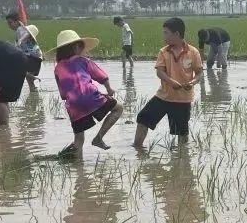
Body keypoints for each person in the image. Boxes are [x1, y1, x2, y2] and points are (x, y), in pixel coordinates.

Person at [134, 17, 204, 147]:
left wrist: (193, 82)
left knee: (182, 132)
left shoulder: (193, 52)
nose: (164, 36)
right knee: (143, 118)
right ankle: (137, 148)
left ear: (176, 34)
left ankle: (182, 158)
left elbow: (199, 73)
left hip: (183, 99)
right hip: (163, 96)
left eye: (166, 32)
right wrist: (171, 82)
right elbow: (160, 72)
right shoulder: (164, 52)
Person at [52, 29, 123, 155]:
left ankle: (79, 170)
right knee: (118, 109)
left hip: (73, 106)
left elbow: (63, 94)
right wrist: (109, 89)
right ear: (76, 47)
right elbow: (101, 76)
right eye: (81, 47)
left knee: (79, 139)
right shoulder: (83, 61)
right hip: (91, 97)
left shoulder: (57, 68)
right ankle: (99, 138)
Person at [6, 13, 42, 92]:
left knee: (22, 71)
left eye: (10, 23)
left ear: (16, 22)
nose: (9, 25)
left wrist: (21, 40)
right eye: (8, 23)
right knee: (28, 78)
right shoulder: (21, 29)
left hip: (31, 56)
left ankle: (33, 82)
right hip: (34, 56)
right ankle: (33, 93)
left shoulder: (20, 29)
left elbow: (27, 34)